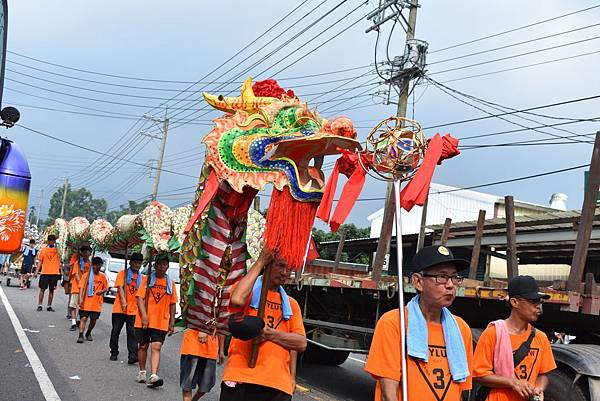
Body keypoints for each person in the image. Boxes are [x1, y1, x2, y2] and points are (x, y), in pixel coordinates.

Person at [365, 245, 474, 401]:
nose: (450, 285)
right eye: (442, 277)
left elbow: (462, 389)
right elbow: (387, 393)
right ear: (418, 282)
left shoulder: (461, 328)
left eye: (455, 277)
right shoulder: (395, 323)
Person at [219, 249, 307, 401]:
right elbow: (237, 300)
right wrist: (260, 262)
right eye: (280, 266)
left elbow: (300, 343)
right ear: (268, 265)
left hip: (277, 385)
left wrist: (268, 333)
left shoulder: (292, 305)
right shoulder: (249, 292)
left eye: (289, 269)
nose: (285, 272)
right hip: (240, 378)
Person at [472, 275, 556, 401]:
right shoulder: (493, 333)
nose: (538, 306)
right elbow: (478, 375)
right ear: (514, 302)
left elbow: (543, 375)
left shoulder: (541, 338)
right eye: (533, 301)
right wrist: (513, 382)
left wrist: (538, 388)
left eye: (539, 302)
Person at [135, 253, 178, 388]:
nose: (161, 267)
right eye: (159, 264)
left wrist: (172, 322)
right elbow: (139, 299)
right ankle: (142, 372)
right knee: (143, 346)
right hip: (144, 320)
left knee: (156, 346)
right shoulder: (146, 280)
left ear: (167, 266)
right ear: (155, 265)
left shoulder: (170, 282)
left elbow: (172, 303)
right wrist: (145, 316)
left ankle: (153, 375)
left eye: (164, 264)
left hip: (161, 321)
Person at [109, 252, 143, 364]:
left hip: (133, 310)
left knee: (132, 333)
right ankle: (114, 351)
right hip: (120, 309)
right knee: (115, 331)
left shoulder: (141, 278)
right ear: (130, 263)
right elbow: (120, 288)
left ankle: (132, 355)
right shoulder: (122, 274)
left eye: (139, 263)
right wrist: (123, 302)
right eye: (135, 263)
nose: (137, 265)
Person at [180, 328, 225, 401]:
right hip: (192, 345)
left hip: (211, 348)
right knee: (187, 385)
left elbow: (222, 325)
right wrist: (202, 329)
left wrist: (221, 350)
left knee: (207, 385)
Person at [77, 256, 107, 343]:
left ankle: (88, 332)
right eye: (97, 266)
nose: (98, 268)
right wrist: (81, 299)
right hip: (86, 302)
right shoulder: (86, 276)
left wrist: (101, 291)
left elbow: (106, 288)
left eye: (100, 266)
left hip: (96, 303)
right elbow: (81, 287)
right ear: (92, 265)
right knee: (83, 318)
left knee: (93, 320)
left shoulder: (103, 277)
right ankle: (80, 335)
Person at [35, 235, 62, 312]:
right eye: (50, 240)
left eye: (53, 240)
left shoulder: (58, 251)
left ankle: (49, 306)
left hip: (54, 273)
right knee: (42, 289)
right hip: (45, 273)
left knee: (51, 290)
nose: (52, 242)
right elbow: (40, 262)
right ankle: (40, 305)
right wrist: (36, 272)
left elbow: (61, 259)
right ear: (48, 241)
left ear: (54, 241)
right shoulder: (43, 250)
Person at [68, 245, 92, 330]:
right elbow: (76, 274)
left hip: (85, 288)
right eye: (84, 252)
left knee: (82, 305)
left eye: (87, 252)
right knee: (74, 305)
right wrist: (80, 284)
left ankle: (78, 319)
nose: (86, 254)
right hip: (77, 287)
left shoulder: (90, 264)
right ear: (81, 253)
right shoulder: (77, 262)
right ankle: (73, 322)